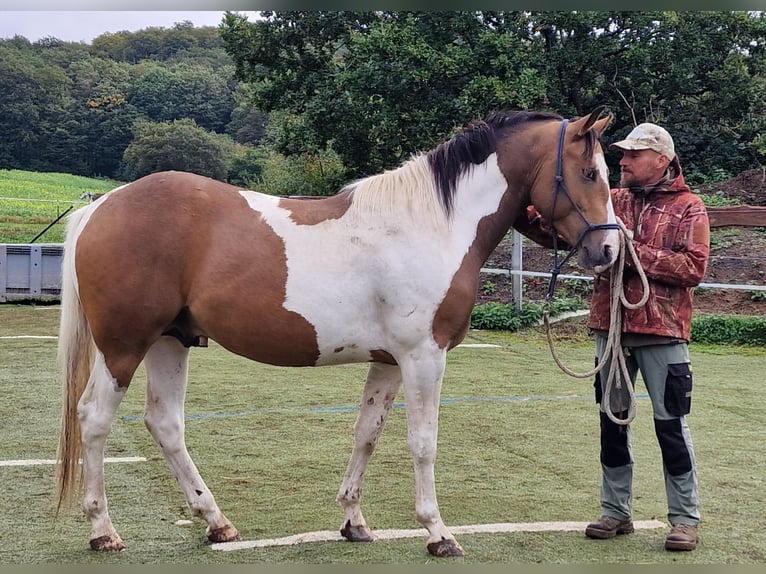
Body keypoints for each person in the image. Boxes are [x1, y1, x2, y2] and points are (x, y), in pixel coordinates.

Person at [581, 123, 710, 552]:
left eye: (634, 155)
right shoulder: (611, 200)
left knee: (670, 425)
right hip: (612, 328)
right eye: (624, 154)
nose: (624, 161)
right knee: (611, 424)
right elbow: (569, 228)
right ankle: (615, 512)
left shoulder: (690, 207)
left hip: (663, 331)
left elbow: (693, 268)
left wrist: (633, 248)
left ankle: (685, 519)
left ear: (662, 160)